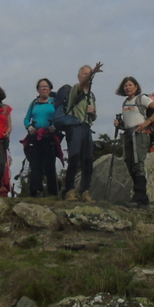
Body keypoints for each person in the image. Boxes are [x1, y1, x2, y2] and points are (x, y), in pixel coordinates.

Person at [113, 76, 154, 206]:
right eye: (125, 85)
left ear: (136, 87)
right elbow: (128, 122)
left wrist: (148, 122)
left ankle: (140, 197)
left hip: (140, 134)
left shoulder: (142, 99)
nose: (128, 87)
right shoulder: (125, 103)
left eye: (130, 85)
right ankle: (140, 197)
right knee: (129, 163)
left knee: (137, 164)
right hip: (128, 135)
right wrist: (119, 124)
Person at [61, 62, 101, 202]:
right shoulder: (75, 89)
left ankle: (85, 191)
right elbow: (83, 83)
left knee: (87, 160)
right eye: (85, 74)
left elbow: (94, 117)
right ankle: (69, 190)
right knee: (74, 158)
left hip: (86, 127)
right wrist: (93, 72)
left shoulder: (92, 96)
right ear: (79, 77)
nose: (88, 76)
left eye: (89, 73)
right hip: (75, 126)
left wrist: (93, 113)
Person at [22, 78, 60, 198]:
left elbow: (60, 117)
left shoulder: (54, 102)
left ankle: (53, 192)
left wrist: (55, 126)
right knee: (35, 164)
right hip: (35, 137)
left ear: (50, 89)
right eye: (41, 86)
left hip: (49, 136)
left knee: (50, 164)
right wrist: (29, 126)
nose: (43, 88)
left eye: (46, 86)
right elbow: (26, 119)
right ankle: (36, 191)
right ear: (38, 89)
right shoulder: (34, 103)